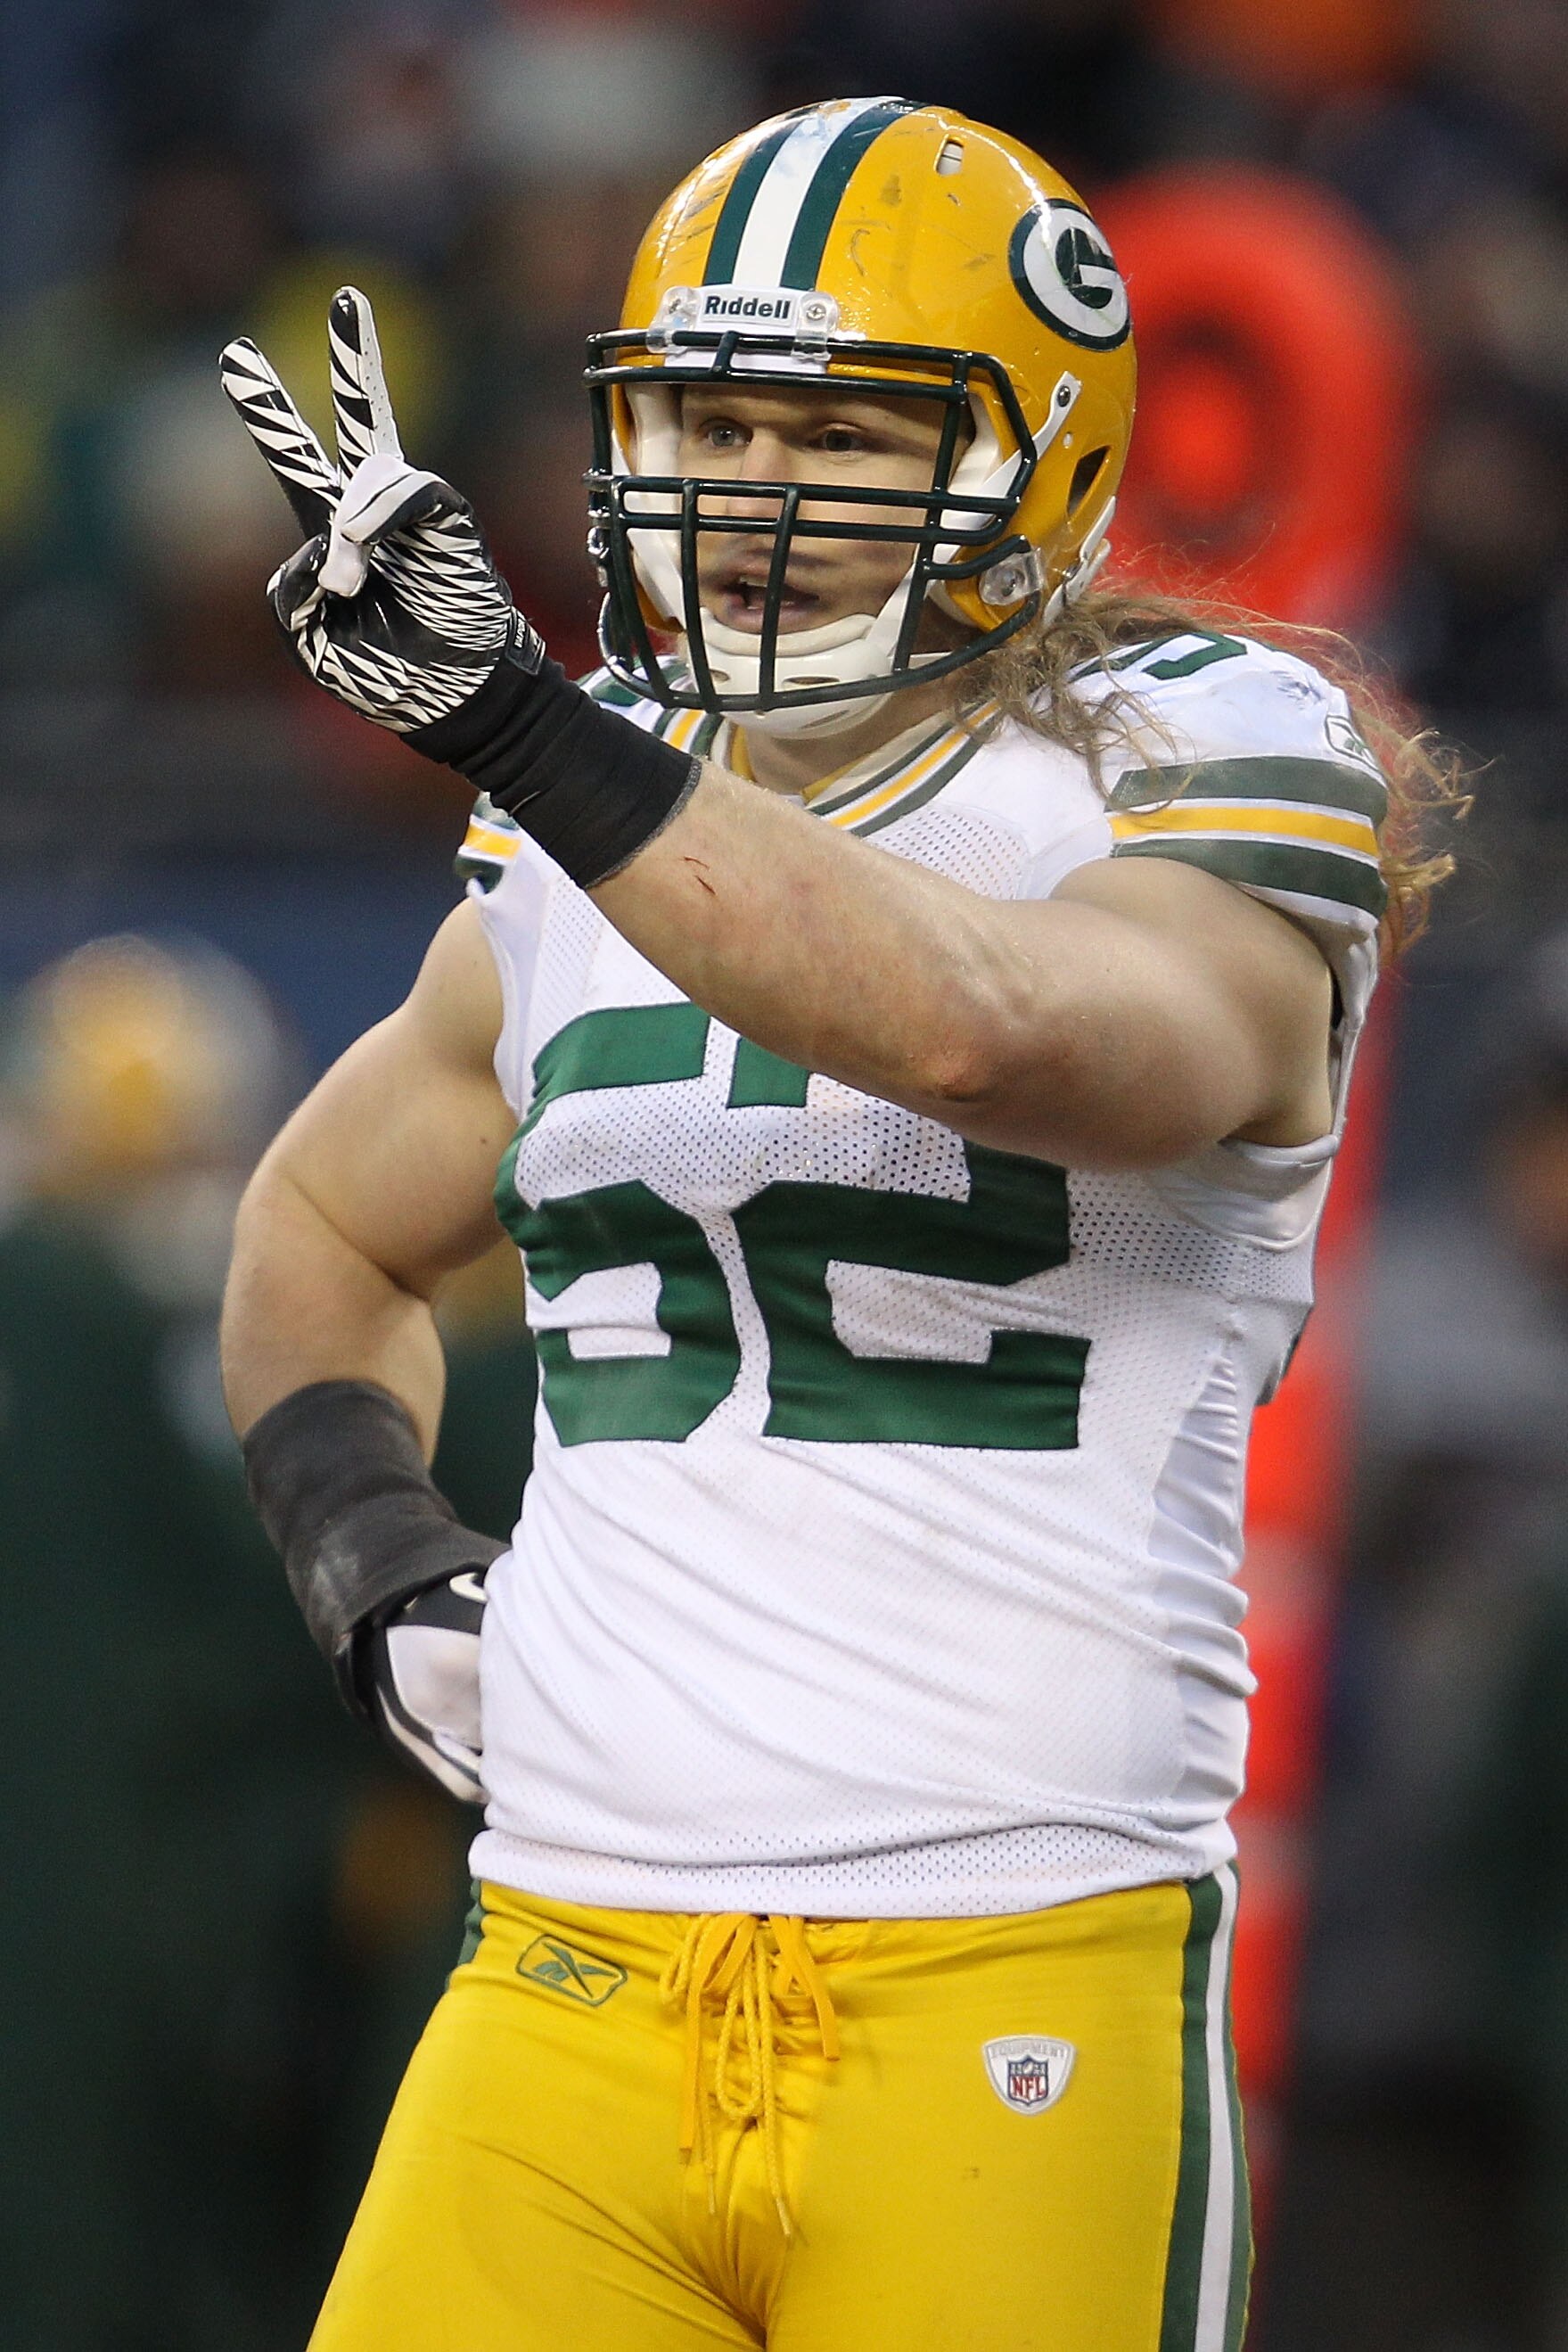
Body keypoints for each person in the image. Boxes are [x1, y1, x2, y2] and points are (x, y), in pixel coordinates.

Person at [217, 96, 1449, 2352]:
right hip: (558, 1979)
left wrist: (520, 730)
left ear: (1037, 460)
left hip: (1009, 1963)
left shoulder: (1207, 747)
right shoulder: (575, 817)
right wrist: (370, 1547)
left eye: (839, 432)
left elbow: (1003, 1034)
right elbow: (317, 1222)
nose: (749, 493)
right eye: (699, 415)